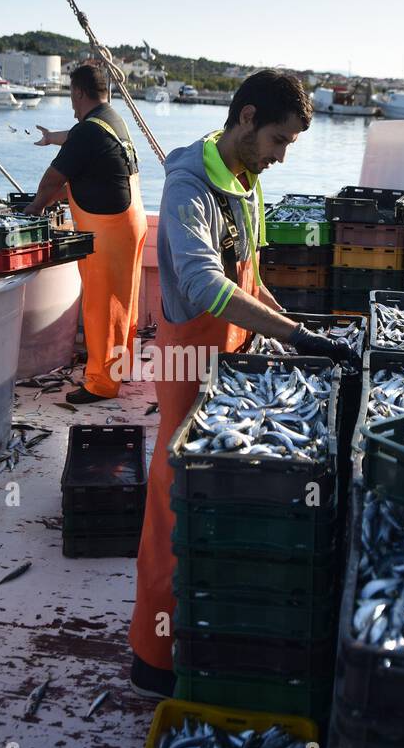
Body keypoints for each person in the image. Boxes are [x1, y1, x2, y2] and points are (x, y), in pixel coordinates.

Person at [128, 70, 357, 699]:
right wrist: (297, 338)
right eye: (279, 140)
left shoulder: (246, 182)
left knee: (223, 500)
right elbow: (204, 286)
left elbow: (247, 280)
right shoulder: (188, 189)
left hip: (234, 360)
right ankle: (154, 657)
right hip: (188, 364)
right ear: (247, 118)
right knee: (178, 504)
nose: (282, 157)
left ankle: (210, 643)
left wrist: (293, 327)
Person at [26, 63, 147, 404]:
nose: (71, 103)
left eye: (71, 96)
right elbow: (78, 138)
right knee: (124, 305)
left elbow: (52, 180)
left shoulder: (88, 132)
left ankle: (100, 384)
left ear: (78, 92)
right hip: (130, 223)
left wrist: (35, 208)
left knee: (101, 308)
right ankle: (119, 367)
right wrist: (52, 138)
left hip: (108, 231)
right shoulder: (111, 120)